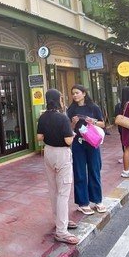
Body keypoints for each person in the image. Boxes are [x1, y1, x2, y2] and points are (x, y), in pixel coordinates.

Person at [36, 89, 79, 245]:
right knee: (63, 192)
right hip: (62, 154)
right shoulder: (62, 118)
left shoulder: (43, 117)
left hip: (48, 152)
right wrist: (72, 134)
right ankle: (61, 231)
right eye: (61, 98)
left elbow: (39, 137)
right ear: (57, 100)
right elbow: (68, 140)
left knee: (53, 189)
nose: (62, 100)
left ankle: (60, 220)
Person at [66, 84, 107, 216]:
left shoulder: (93, 107)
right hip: (78, 143)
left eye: (77, 93)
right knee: (79, 172)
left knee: (94, 169)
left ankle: (97, 200)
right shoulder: (71, 109)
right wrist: (73, 123)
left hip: (92, 142)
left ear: (84, 93)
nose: (75, 95)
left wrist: (92, 122)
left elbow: (102, 123)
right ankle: (82, 203)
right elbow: (69, 129)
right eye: (73, 93)